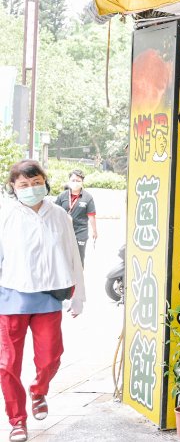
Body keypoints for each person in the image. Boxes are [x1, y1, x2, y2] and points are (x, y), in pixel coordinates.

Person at [0, 160, 85, 442]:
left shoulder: (60, 215)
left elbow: (73, 256)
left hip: (49, 296)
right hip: (11, 296)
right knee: (7, 364)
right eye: (23, 184)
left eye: (36, 183)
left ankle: (38, 390)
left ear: (44, 182)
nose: (31, 189)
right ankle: (17, 421)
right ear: (13, 187)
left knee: (50, 357)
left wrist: (79, 296)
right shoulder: (5, 214)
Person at [55, 169, 97, 266]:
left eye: (78, 181)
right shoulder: (62, 196)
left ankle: (78, 278)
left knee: (79, 257)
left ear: (82, 182)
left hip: (80, 232)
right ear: (69, 181)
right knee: (63, 256)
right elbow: (55, 212)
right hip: (64, 231)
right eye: (73, 180)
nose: (75, 183)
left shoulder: (88, 197)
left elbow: (91, 215)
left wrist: (94, 231)